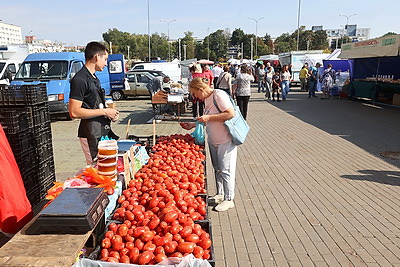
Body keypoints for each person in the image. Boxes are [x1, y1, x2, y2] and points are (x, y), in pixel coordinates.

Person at [180, 77, 237, 212]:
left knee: (226, 170)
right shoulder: (207, 99)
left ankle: (229, 199)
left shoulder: (218, 95)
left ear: (201, 89)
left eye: (195, 93)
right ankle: (220, 193)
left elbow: (230, 113)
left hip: (225, 139)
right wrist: (194, 124)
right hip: (213, 139)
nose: (195, 96)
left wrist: (208, 118)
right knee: (218, 169)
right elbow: (208, 118)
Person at [69, 41, 119, 165]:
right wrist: (104, 111)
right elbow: (74, 112)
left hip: (100, 131)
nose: (106, 64)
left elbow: (95, 105)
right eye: (105, 59)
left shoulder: (94, 78)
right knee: (97, 168)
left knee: (107, 166)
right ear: (97, 57)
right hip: (89, 133)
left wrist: (109, 113)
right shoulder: (80, 80)